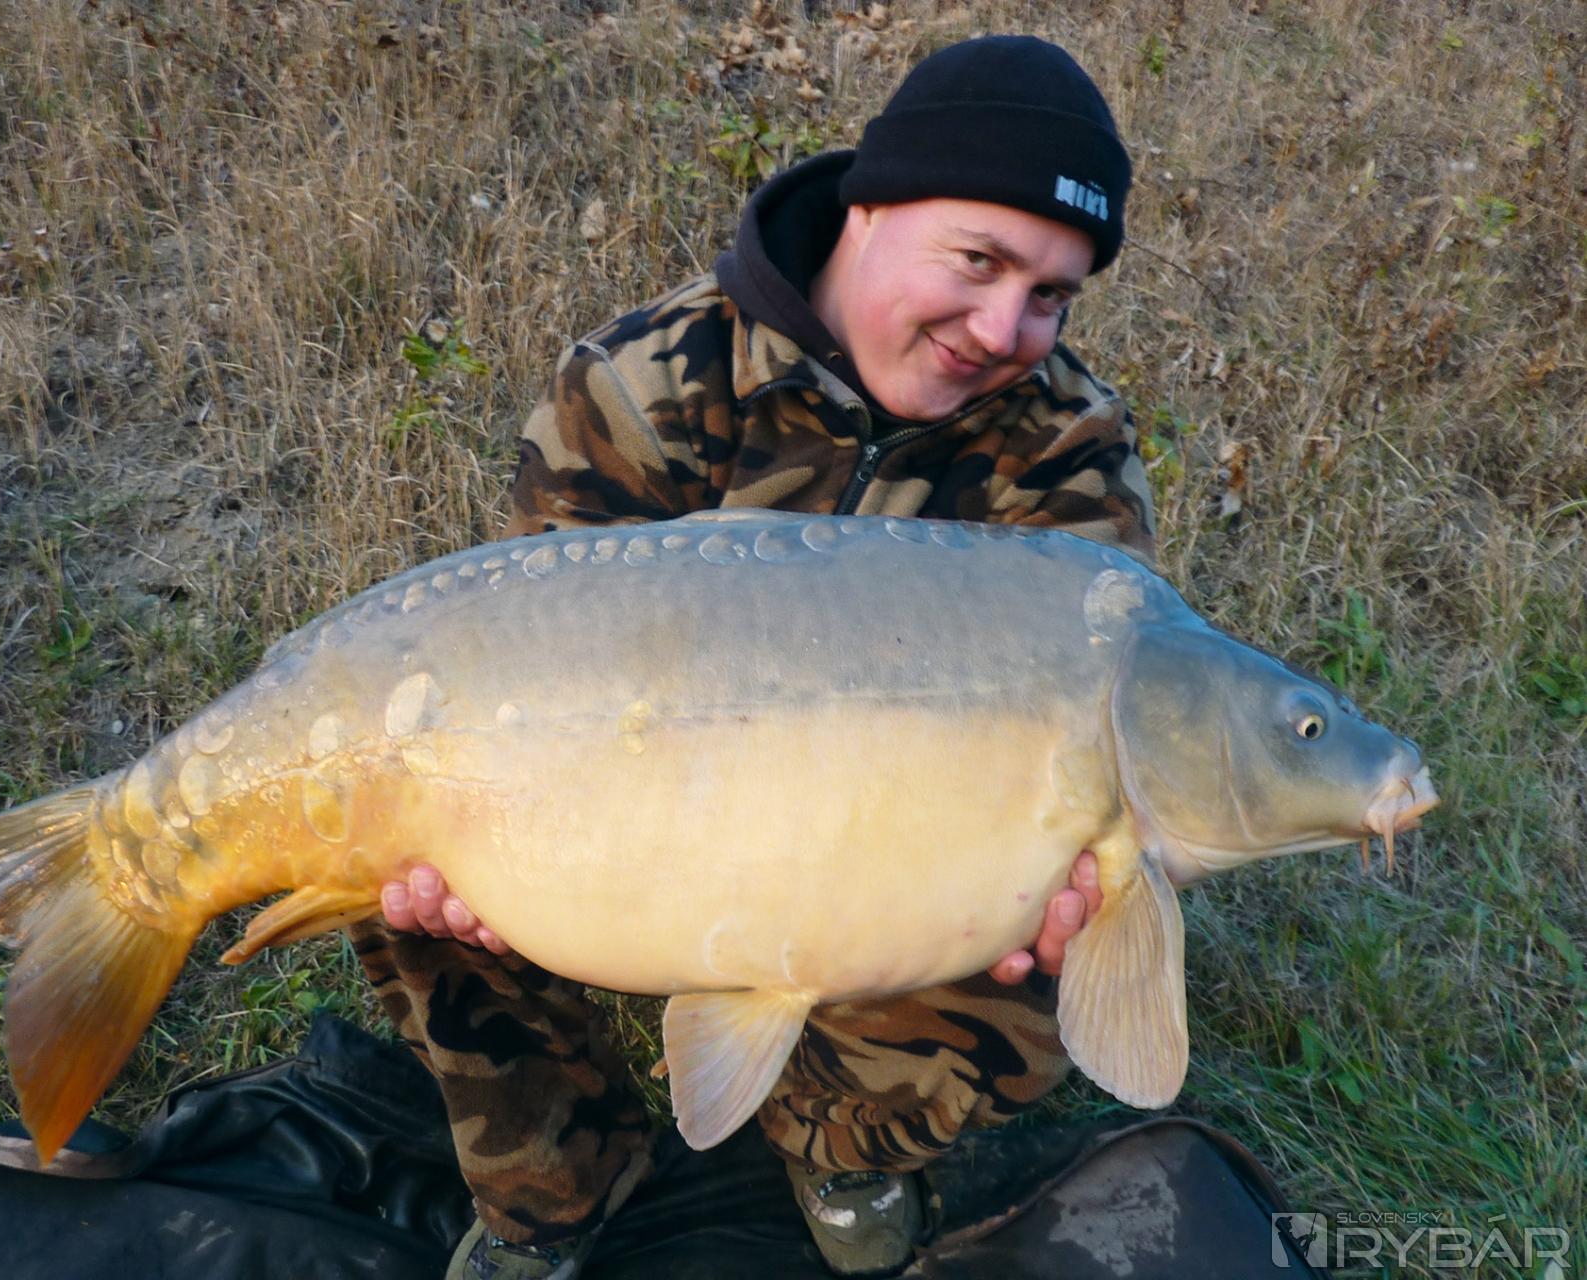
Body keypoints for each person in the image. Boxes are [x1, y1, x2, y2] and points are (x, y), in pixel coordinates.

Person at [348, 35, 1153, 1280]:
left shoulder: (1065, 446)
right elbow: (530, 661)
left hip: (893, 850)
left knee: (1045, 927)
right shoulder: (643, 384)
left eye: (1050, 294)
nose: (1004, 328)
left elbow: (1107, 704)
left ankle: (842, 1143)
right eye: (977, 261)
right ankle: (557, 1184)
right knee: (407, 864)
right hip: (625, 817)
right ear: (868, 209)